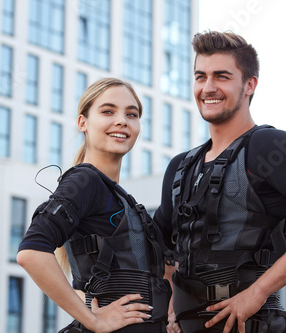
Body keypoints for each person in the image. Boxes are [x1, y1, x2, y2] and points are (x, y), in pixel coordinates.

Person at [154, 31, 286, 333]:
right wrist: (170, 302)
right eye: (200, 77)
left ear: (249, 85)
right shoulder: (180, 166)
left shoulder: (269, 146)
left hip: (253, 323)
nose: (208, 87)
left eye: (221, 76)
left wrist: (258, 291)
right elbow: (160, 246)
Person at [17, 78, 172, 333]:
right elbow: (31, 252)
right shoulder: (85, 180)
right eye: (108, 111)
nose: (122, 120)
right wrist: (95, 320)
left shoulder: (115, 194)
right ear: (83, 123)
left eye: (131, 114)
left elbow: (92, 285)